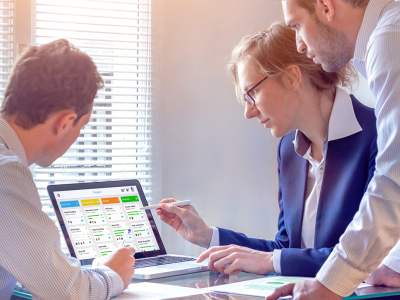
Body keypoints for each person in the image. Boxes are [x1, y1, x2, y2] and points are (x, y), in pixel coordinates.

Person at [156, 22, 377, 279]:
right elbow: (286, 251)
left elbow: (368, 257)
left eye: (252, 93)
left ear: (292, 77)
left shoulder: (380, 136)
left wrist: (272, 260)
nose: (248, 112)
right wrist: (208, 235)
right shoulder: (289, 149)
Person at [266, 0, 400, 299]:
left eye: (298, 25)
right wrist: (395, 263)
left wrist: (331, 283)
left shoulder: (390, 38)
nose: (299, 45)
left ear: (326, 7)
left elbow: (396, 177)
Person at [0, 39, 135, 300]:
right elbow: (69, 293)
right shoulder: (6, 174)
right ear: (65, 122)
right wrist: (111, 273)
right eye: (81, 127)